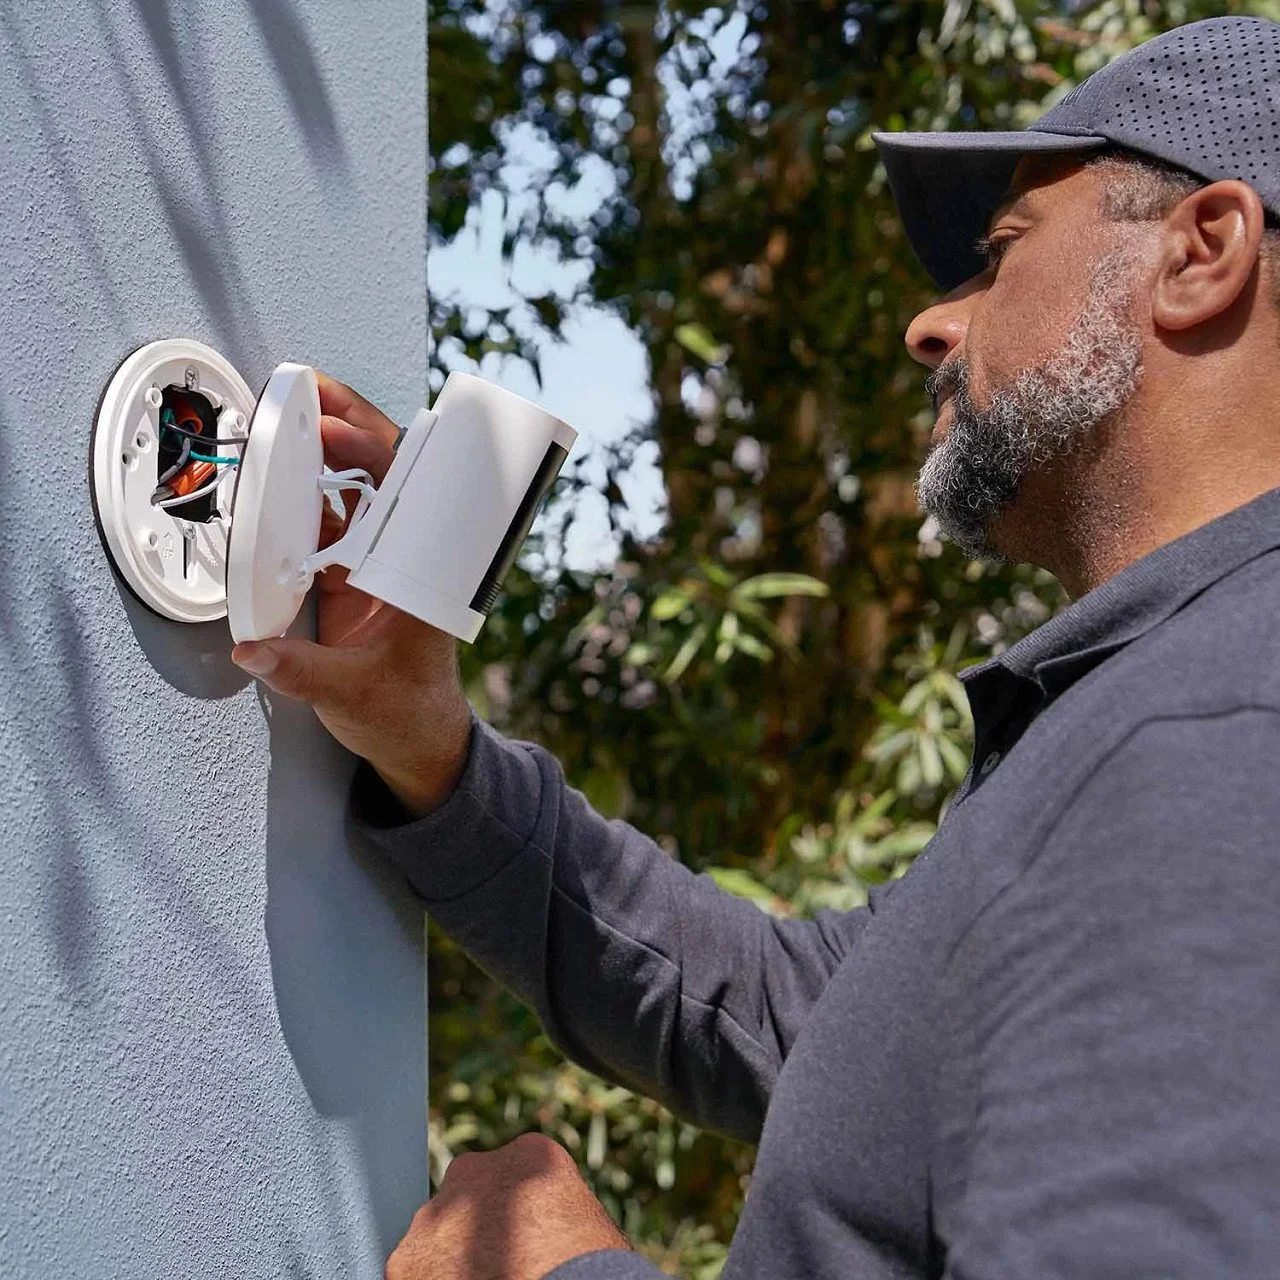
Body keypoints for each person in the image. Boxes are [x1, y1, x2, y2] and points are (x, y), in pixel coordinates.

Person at [233, 16, 1280, 1279]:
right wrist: (431, 747)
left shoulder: (1216, 745)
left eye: (997, 254)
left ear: (1200, 253)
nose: (930, 325)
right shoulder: (1164, 713)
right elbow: (795, 1010)